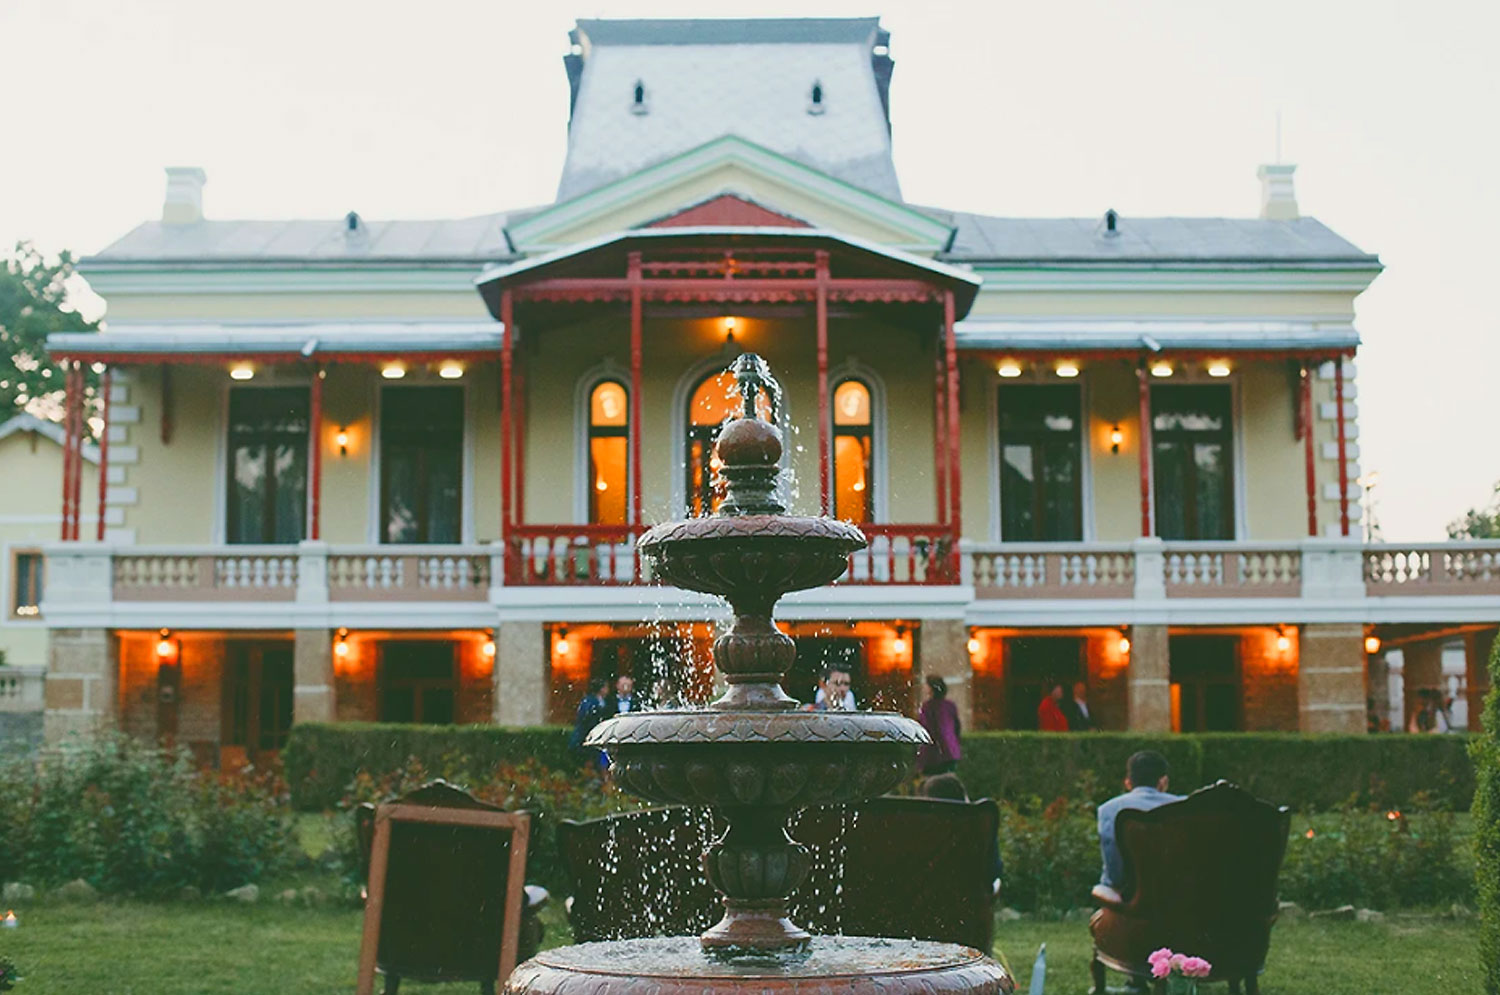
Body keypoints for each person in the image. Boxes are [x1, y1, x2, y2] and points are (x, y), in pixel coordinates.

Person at [1095, 751, 1183, 897]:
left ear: (1128, 782)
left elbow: (1113, 868)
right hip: (1173, 895)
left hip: (1129, 897)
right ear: (1163, 781)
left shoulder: (1108, 809)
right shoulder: (1182, 806)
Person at [917, 676, 962, 775]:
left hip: (934, 755)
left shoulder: (928, 707)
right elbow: (956, 728)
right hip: (950, 751)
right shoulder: (949, 705)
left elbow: (926, 729)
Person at [568, 677, 611, 771]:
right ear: (601, 689)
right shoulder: (591, 702)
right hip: (584, 739)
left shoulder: (598, 701)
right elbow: (588, 721)